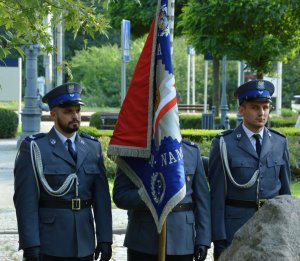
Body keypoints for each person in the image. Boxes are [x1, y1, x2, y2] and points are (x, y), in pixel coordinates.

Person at [14, 82, 113, 261]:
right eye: (68, 112)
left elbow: (102, 199)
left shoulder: (92, 147)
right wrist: (31, 245)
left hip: (84, 241)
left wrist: (105, 239)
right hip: (51, 242)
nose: (75, 116)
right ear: (53, 114)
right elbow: (25, 202)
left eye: (77, 111)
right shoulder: (35, 148)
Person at [208, 79, 291, 260]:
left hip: (272, 227)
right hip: (236, 229)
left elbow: (286, 193)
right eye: (255, 107)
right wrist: (219, 238)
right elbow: (217, 196)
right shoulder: (224, 144)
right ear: (241, 110)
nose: (261, 113)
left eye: (265, 107)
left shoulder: (279, 142)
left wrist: (288, 227)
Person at [113, 139, 211, 261]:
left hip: (181, 241)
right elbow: (120, 195)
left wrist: (203, 239)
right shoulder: (134, 151)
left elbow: (203, 202)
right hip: (143, 240)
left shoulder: (191, 151)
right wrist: (151, 197)